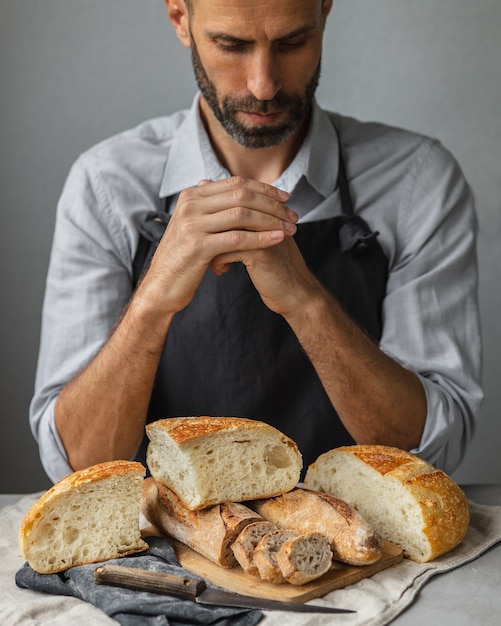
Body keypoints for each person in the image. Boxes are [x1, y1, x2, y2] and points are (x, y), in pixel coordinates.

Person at [31, 0, 482, 484]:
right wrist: (152, 302)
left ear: (325, 11)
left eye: (292, 42)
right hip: (164, 555)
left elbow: (431, 450)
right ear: (181, 19)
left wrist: (306, 301)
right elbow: (78, 465)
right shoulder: (105, 184)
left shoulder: (416, 180)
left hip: (360, 551)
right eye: (232, 45)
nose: (263, 85)